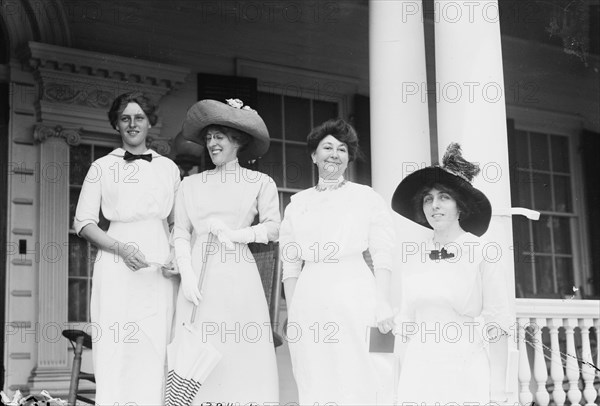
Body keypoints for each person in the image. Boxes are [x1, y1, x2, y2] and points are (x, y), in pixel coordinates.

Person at [73, 91, 181, 405]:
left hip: (157, 266)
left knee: (153, 342)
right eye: (125, 118)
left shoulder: (168, 169)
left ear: (150, 124)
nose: (132, 124)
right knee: (116, 344)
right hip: (115, 265)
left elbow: (177, 223)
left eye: (139, 118)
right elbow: (84, 222)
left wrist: (174, 253)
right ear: (117, 125)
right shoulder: (102, 167)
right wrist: (121, 249)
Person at [279, 118, 396, 404]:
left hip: (355, 290)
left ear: (348, 158)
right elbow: (291, 264)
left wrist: (382, 301)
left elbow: (383, 254)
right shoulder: (298, 204)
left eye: (342, 149)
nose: (334, 153)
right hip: (311, 294)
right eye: (327, 147)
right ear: (313, 155)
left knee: (365, 368)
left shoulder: (365, 197)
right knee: (316, 371)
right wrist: (294, 311)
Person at [172, 98, 280, 403]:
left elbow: (274, 227)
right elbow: (180, 231)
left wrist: (237, 234)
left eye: (219, 137)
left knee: (236, 350)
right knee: (197, 348)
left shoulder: (259, 182)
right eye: (208, 138)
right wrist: (187, 272)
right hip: (197, 277)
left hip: (237, 273)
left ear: (238, 140)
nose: (212, 144)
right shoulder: (190, 185)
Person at [390, 142, 512, 405]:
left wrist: (498, 391)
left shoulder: (482, 251)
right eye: (428, 198)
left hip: (464, 368)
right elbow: (405, 325)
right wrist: (394, 384)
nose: (434, 205)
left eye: (444, 197)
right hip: (419, 371)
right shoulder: (413, 256)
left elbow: (498, 323)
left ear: (460, 206)